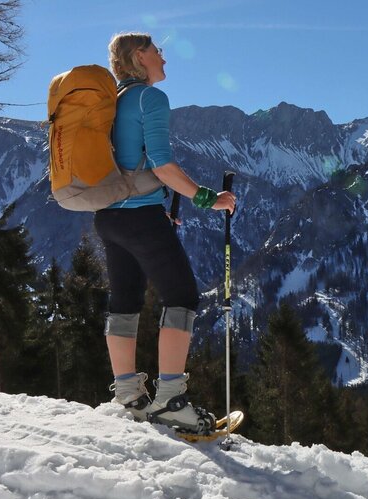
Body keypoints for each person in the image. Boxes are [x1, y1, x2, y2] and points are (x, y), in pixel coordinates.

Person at [97, 32, 236, 433]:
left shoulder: (113, 100)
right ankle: (171, 400)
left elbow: (128, 163)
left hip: (109, 216)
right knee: (182, 297)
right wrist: (210, 198)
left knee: (124, 299)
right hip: (140, 217)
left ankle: (128, 394)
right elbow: (160, 163)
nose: (164, 58)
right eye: (158, 51)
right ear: (139, 56)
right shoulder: (149, 98)